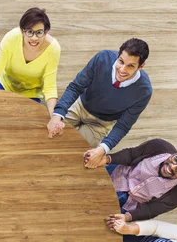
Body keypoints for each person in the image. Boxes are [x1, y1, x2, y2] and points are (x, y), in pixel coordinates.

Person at [47, 38, 152, 167]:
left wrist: (102, 149)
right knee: (49, 135)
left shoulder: (144, 91)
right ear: (118, 56)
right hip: (81, 105)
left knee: (71, 153)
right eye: (121, 61)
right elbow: (76, 87)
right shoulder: (102, 58)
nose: (122, 70)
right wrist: (57, 115)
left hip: (101, 124)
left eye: (130, 66)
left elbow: (122, 126)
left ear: (141, 66)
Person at [102, 138, 177, 221]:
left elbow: (150, 210)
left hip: (127, 205)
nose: (172, 167)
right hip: (117, 174)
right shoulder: (159, 146)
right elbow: (131, 154)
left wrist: (127, 217)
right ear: (175, 153)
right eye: (176, 159)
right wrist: (106, 159)